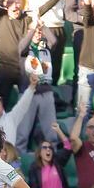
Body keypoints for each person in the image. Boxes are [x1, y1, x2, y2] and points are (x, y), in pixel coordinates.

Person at [0, 0, 67, 106]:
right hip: (5, 69)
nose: (15, 5)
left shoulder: (26, 19)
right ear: (6, 5)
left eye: (18, 2)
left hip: (24, 69)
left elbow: (43, 9)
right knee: (0, 103)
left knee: (26, 104)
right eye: (12, 2)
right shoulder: (1, 16)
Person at [16, 21, 58, 153]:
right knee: (23, 132)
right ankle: (19, 164)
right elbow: (20, 47)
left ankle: (54, 161)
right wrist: (33, 28)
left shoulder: (45, 47)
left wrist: (43, 26)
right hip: (28, 92)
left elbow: (54, 41)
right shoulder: (25, 49)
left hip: (45, 92)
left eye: (39, 31)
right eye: (35, 31)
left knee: (51, 132)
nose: (37, 32)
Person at [25, 0, 67, 84]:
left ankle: (52, 94)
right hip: (43, 27)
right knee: (42, 66)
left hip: (59, 27)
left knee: (56, 67)